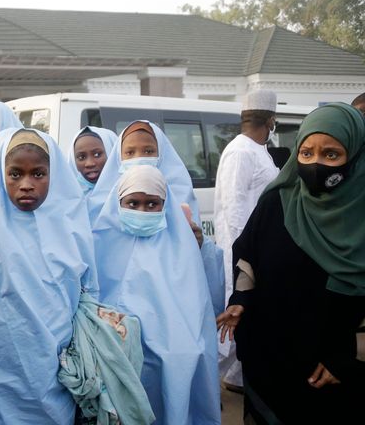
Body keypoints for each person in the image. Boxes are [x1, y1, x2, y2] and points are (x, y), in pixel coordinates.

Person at [217, 102, 365, 424]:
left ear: (354, 156)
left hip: (324, 367)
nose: (315, 164)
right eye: (307, 153)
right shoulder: (278, 202)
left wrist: (345, 364)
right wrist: (241, 299)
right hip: (266, 356)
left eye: (330, 155)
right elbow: (247, 256)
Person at [0, 128, 98, 424]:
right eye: (15, 174)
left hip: (59, 364)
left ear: (54, 174)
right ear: (1, 176)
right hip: (2, 366)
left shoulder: (72, 230)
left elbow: (90, 295)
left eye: (38, 174)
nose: (26, 185)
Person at [92, 165, 220, 424]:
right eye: (133, 203)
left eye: (152, 204)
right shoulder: (99, 241)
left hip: (169, 353)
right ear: (118, 202)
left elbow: (200, 304)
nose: (142, 211)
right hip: (113, 354)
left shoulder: (181, 245)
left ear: (166, 205)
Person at [90, 120, 225, 317]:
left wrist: (200, 243)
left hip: (170, 311)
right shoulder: (103, 206)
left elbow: (196, 266)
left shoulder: (179, 197)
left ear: (161, 152)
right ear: (118, 157)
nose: (140, 158)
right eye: (130, 152)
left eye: (148, 151)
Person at [213, 89, 279, 391]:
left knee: (251, 315)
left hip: (258, 249)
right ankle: (202, 383)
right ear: (271, 121)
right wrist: (247, 254)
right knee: (232, 320)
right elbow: (234, 208)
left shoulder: (258, 149)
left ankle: (237, 378)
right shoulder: (241, 152)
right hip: (242, 252)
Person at [66, 126, 118, 195]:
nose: (89, 164)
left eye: (97, 154)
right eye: (81, 157)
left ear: (112, 152)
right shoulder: (65, 197)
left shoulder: (129, 193)